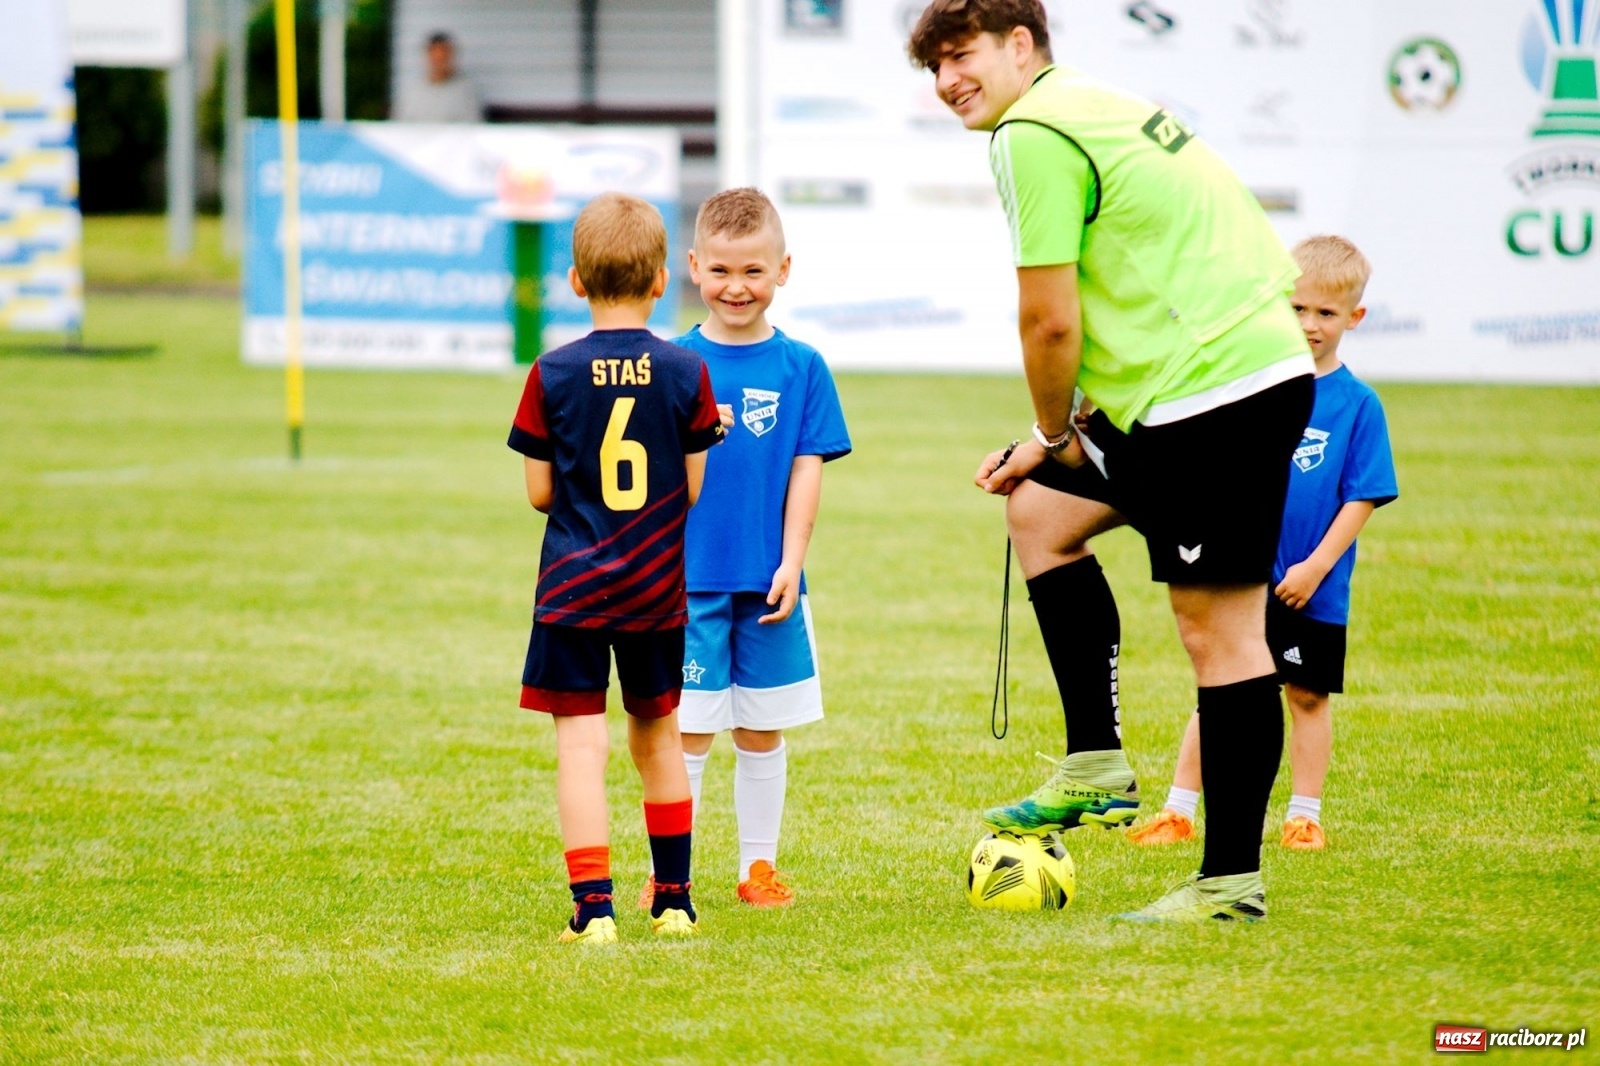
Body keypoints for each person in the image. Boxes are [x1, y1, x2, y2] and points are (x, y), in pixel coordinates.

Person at [907, 0, 1315, 922]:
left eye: (959, 56)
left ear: (1021, 45)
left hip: (1216, 394)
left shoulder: (1031, 131)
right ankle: (1097, 762)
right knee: (1041, 515)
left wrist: (1054, 433)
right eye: (932, 68)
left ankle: (1228, 883)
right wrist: (1062, 449)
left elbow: (1050, 320)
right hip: (1212, 381)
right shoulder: (1085, 101)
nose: (946, 82)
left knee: (1222, 636)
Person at [1126, 236, 1399, 852]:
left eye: (1326, 314)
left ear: (1354, 318)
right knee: (1224, 687)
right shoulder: (1258, 389)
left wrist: (1316, 567)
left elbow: (1364, 494)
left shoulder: (1358, 404)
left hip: (1310, 584)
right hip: (1244, 570)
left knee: (1306, 695)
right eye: (1297, 309)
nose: (1309, 325)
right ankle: (1178, 809)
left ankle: (1304, 816)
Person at [507, 192, 727, 944]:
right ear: (664, 280)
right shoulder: (687, 372)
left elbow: (540, 492)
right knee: (659, 736)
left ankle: (593, 909)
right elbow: (692, 489)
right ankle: (673, 902)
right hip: (655, 587)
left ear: (574, 280)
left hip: (572, 589)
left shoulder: (550, 373)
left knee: (580, 745)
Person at [638, 188, 852, 910]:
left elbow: (805, 470)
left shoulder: (803, 368)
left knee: (761, 731)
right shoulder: (670, 366)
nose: (737, 287)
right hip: (686, 585)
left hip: (769, 588)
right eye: (722, 271)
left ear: (784, 269)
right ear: (693, 267)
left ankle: (757, 870)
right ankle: (672, 875)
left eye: (754, 272)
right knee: (689, 736)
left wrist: (791, 562)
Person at [393, 32, 482, 123]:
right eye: (436, 58)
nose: (440, 63)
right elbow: (400, 126)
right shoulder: (412, 91)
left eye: (444, 57)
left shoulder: (465, 92)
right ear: (428, 56)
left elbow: (473, 128)